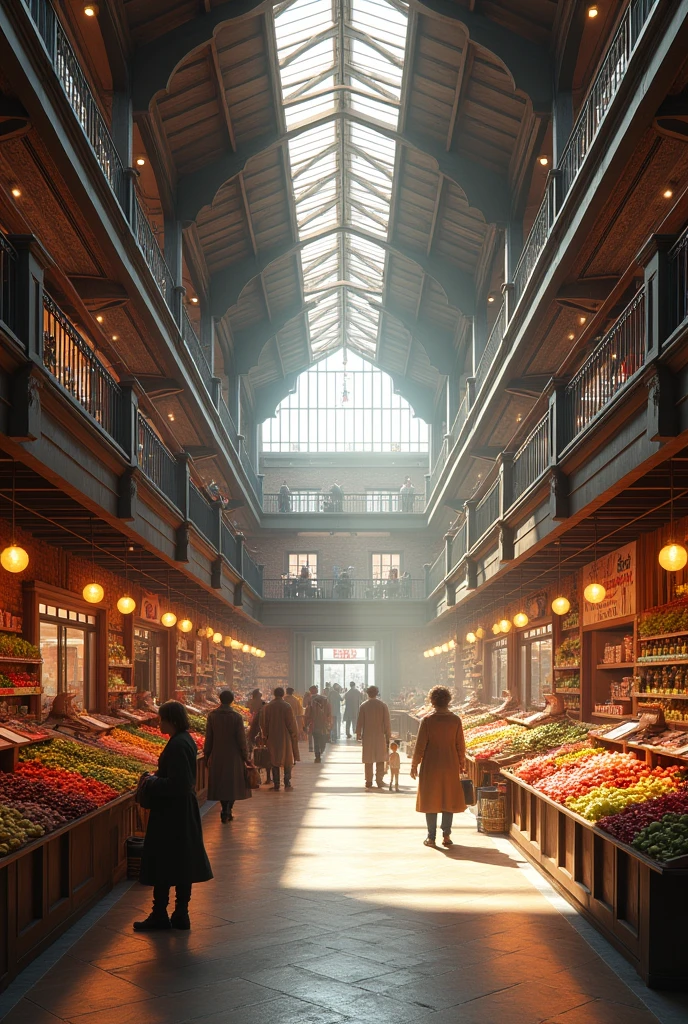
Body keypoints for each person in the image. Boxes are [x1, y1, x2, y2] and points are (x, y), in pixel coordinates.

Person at [134, 701, 212, 931]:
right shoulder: (183, 739)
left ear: (172, 720)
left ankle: (160, 914)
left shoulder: (178, 745)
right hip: (181, 811)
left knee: (164, 861)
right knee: (182, 862)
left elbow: (180, 783)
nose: (159, 723)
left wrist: (153, 780)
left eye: (162, 719)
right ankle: (180, 914)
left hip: (171, 812)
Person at [410, 685, 467, 848]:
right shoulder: (455, 720)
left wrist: (414, 764)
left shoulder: (428, 720)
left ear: (432, 701)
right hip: (450, 764)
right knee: (448, 798)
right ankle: (447, 835)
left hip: (431, 764)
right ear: (448, 700)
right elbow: (460, 745)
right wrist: (461, 763)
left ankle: (431, 837)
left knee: (431, 799)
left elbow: (420, 745)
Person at [204, 690, 251, 823]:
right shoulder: (236, 717)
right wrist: (245, 755)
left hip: (217, 753)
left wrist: (207, 753)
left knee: (221, 782)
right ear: (232, 700)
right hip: (234, 755)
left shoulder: (212, 716)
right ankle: (228, 808)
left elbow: (209, 737)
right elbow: (242, 739)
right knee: (233, 783)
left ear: (219, 699)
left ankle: (224, 807)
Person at [260, 686, 300, 790]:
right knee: (287, 759)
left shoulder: (268, 707)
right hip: (285, 736)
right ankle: (287, 781)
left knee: (274, 760)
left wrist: (265, 735)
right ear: (283, 694)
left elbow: (264, 723)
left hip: (272, 736)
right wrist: (294, 735)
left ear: (274, 694)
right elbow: (291, 723)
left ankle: (276, 783)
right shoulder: (287, 706)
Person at [356, 685, 391, 789]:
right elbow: (387, 722)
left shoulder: (364, 705)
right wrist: (388, 734)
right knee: (380, 758)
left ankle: (368, 780)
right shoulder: (383, 705)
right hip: (380, 735)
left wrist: (358, 733)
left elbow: (360, 721)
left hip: (367, 735)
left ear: (367, 693)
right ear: (377, 693)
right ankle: (379, 780)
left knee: (368, 758)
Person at [305, 688, 331, 763]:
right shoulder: (325, 703)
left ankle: (317, 756)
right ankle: (320, 752)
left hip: (314, 725)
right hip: (323, 726)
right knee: (322, 740)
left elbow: (307, 715)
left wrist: (306, 724)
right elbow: (329, 713)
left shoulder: (311, 704)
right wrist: (329, 723)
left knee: (316, 741)